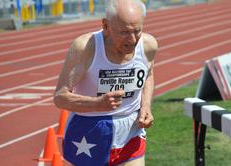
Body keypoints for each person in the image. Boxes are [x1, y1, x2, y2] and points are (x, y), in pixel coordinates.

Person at [53, 0, 158, 165]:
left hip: (131, 128)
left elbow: (148, 75)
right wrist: (97, 104)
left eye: (137, 31)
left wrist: (145, 107)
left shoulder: (148, 45)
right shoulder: (86, 48)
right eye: (124, 32)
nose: (132, 40)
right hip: (89, 129)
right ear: (106, 26)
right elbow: (60, 97)